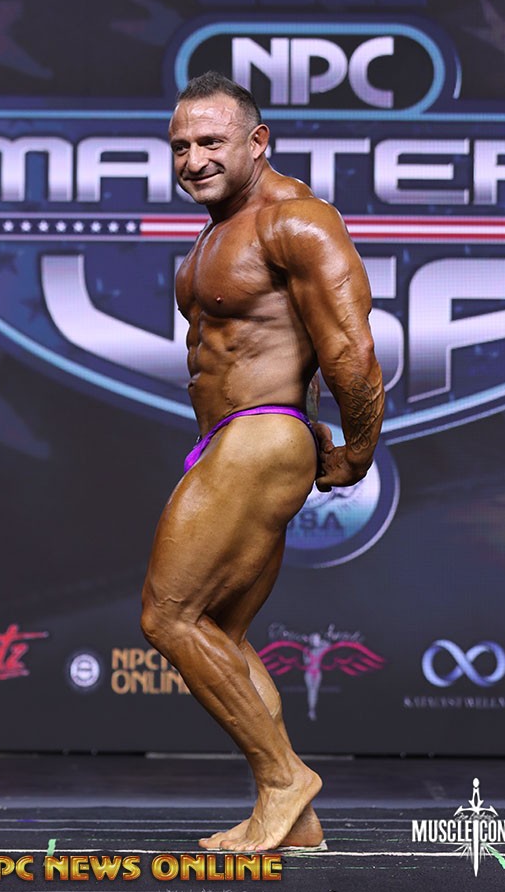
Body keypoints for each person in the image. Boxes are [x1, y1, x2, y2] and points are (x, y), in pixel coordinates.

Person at [140, 71, 384, 852]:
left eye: (211, 141)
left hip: (263, 434)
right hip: (228, 441)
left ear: (258, 141)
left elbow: (350, 351)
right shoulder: (213, 238)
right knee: (217, 630)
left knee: (168, 617)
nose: (193, 160)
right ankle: (293, 818)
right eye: (180, 146)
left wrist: (357, 450)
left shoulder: (296, 222)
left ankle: (285, 780)